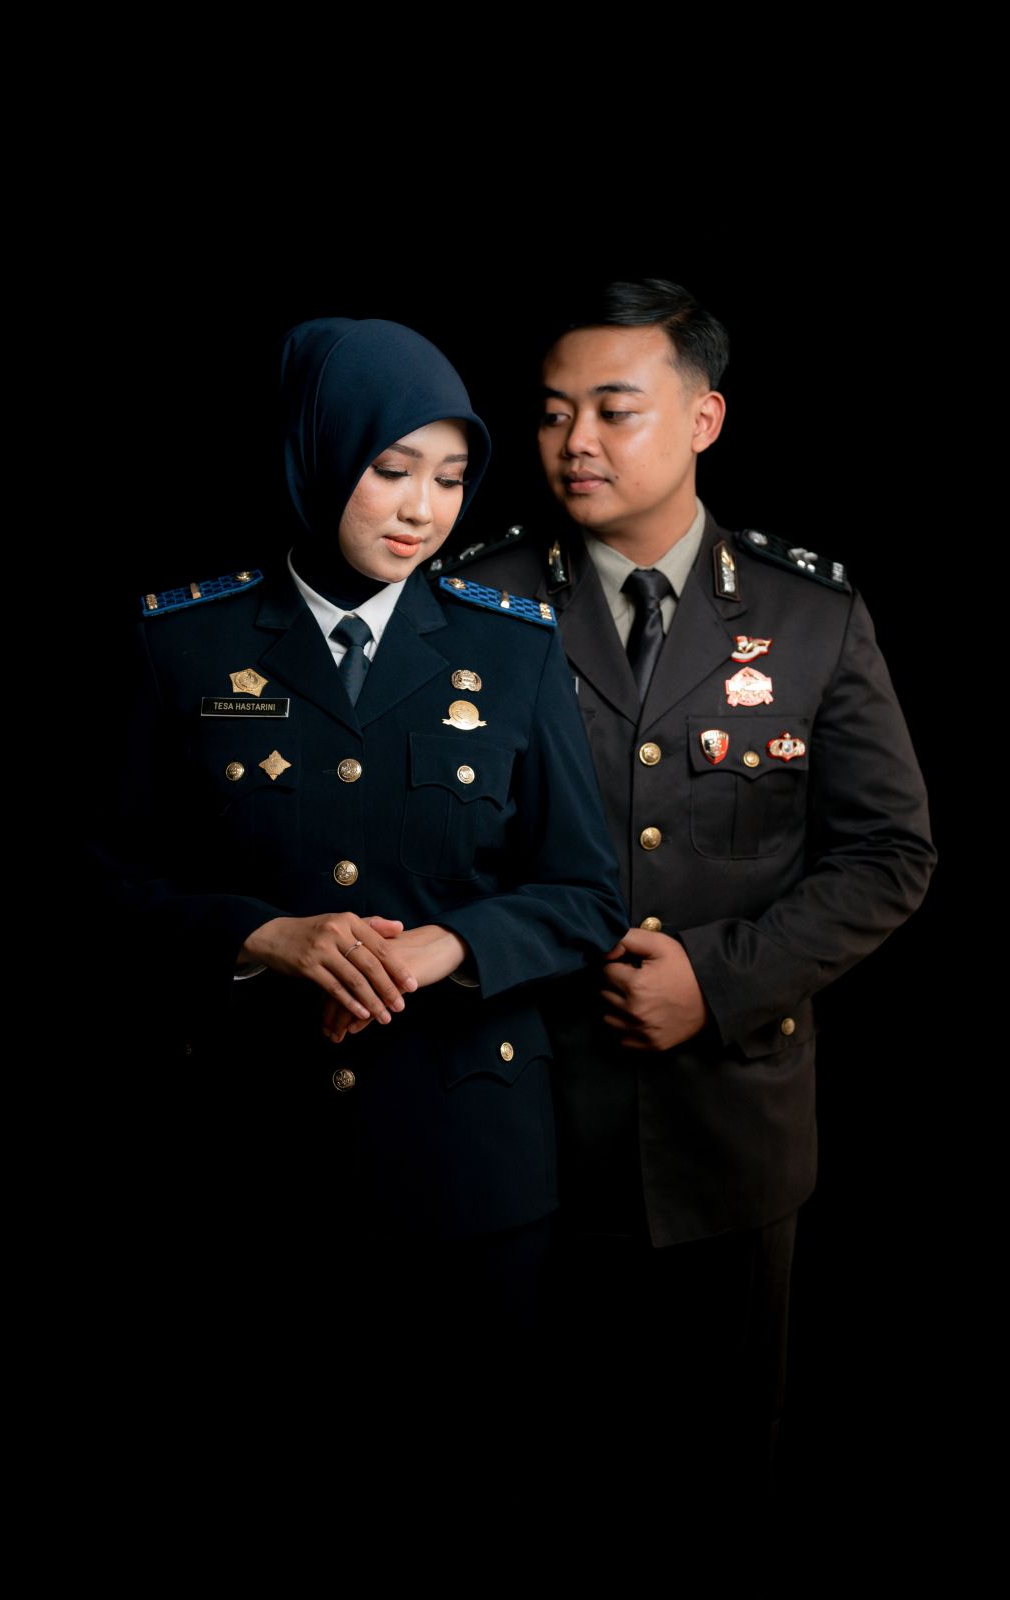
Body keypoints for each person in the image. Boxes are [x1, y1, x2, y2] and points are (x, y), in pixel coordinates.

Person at [109, 316, 626, 1512]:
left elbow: (586, 893)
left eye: (450, 478)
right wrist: (258, 936)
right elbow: (106, 882)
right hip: (252, 1162)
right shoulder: (186, 642)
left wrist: (455, 943)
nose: (422, 510)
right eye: (392, 469)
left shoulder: (510, 651)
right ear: (317, 450)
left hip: (472, 1170)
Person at [457, 278, 937, 1506]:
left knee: (717, 1482)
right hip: (518, 1121)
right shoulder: (473, 601)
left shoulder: (808, 612)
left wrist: (716, 982)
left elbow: (890, 852)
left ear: (703, 419)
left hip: (731, 1135)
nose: (575, 441)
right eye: (553, 412)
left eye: (613, 410)